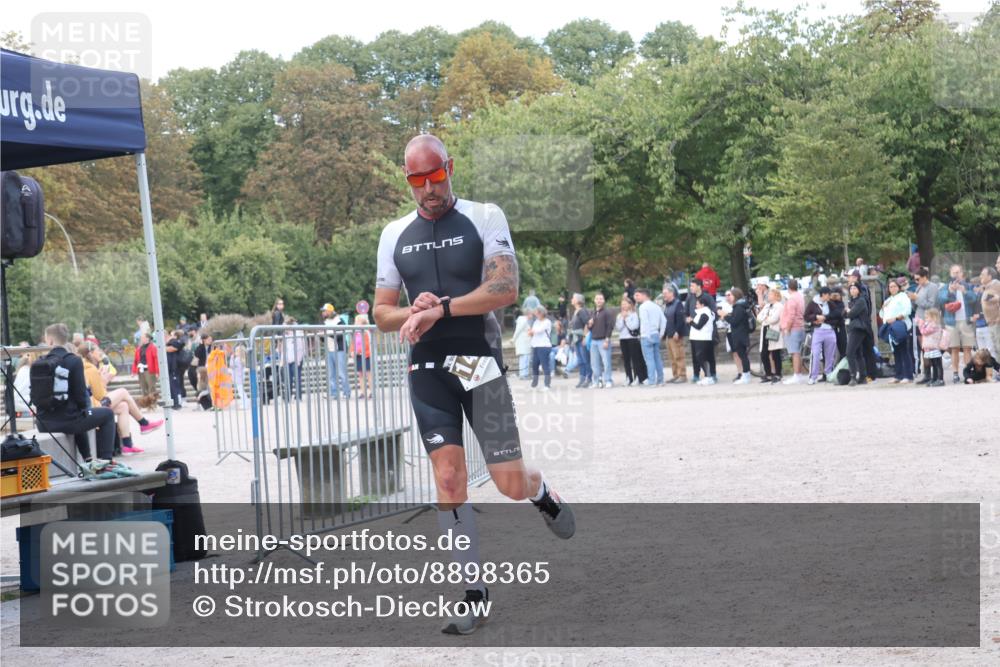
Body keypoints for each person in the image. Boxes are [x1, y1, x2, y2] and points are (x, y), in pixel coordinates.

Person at [372, 133, 574, 635]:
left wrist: (442, 307)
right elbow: (381, 313)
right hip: (428, 369)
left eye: (435, 175)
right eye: (417, 180)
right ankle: (471, 592)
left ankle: (540, 490)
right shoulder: (394, 233)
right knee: (448, 479)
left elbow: (504, 288)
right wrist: (410, 312)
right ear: (407, 181)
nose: (427, 188)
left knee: (507, 484)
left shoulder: (485, 216)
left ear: (450, 167)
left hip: (476, 363)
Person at [33, 324, 125, 475]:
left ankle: (88, 460)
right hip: (68, 421)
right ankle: (105, 463)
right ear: (65, 339)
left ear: (49, 341)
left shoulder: (39, 363)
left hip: (44, 423)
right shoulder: (74, 361)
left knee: (77, 414)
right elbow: (82, 398)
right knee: (105, 414)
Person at [79, 342, 162, 454]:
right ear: (91, 353)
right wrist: (103, 379)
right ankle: (143, 423)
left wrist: (100, 377)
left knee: (123, 406)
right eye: (98, 350)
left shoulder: (88, 367)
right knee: (123, 391)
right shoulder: (90, 369)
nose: (101, 353)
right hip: (95, 406)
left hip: (94, 405)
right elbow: (100, 395)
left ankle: (127, 444)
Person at [939, 264, 977, 383]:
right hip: (951, 322)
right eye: (954, 272)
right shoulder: (945, 287)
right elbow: (940, 299)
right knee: (954, 348)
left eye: (958, 272)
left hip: (966, 320)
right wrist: (951, 290)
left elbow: (974, 299)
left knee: (967, 348)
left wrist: (964, 291)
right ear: (950, 273)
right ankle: (955, 373)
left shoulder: (968, 286)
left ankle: (967, 372)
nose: (956, 275)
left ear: (962, 274)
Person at [879, 278, 914, 383]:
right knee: (896, 351)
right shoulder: (888, 300)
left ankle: (908, 375)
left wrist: (896, 318)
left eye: (894, 286)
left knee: (904, 350)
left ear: (898, 287)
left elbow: (907, 310)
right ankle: (898, 375)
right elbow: (882, 315)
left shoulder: (903, 297)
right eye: (890, 287)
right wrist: (883, 308)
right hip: (890, 326)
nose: (892, 288)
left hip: (900, 325)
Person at [909, 267, 939, 383]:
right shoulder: (919, 287)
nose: (916, 281)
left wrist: (916, 298)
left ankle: (935, 374)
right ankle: (927, 374)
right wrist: (912, 300)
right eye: (915, 279)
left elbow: (930, 305)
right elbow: (917, 306)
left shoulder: (932, 287)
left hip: (929, 321)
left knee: (931, 347)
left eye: (918, 279)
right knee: (923, 349)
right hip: (919, 320)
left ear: (925, 277)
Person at [685, 278, 717, 383]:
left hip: (705, 332)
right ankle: (696, 374)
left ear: (699, 286)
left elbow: (713, 312)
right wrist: (688, 320)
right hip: (694, 332)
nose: (691, 288)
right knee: (695, 355)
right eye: (690, 286)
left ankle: (712, 374)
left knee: (709, 354)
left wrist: (705, 325)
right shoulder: (690, 298)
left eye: (692, 286)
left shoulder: (707, 297)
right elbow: (686, 312)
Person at [804, 287, 837, 385]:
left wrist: (825, 319)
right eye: (828, 295)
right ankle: (813, 376)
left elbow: (836, 316)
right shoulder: (813, 303)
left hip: (830, 330)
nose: (829, 297)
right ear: (823, 294)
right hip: (818, 331)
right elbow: (806, 316)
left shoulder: (831, 304)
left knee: (830, 354)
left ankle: (828, 374)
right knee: (816, 353)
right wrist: (815, 317)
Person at [635, 288, 667, 385]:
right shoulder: (656, 306)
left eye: (638, 295)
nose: (636, 297)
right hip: (656, 334)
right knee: (657, 358)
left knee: (649, 359)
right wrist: (661, 334)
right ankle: (660, 380)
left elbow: (645, 322)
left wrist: (646, 335)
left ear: (644, 295)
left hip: (646, 335)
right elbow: (664, 321)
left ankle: (652, 380)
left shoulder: (643, 307)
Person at [721, 288, 752, 384]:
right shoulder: (739, 306)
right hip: (739, 333)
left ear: (736, 296)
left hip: (740, 334)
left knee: (743, 355)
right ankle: (745, 374)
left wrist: (725, 316)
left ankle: (746, 375)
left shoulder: (739, 307)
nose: (730, 297)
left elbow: (734, 321)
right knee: (741, 354)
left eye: (731, 295)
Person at [615, 298, 647, 386]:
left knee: (635, 359)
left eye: (625, 304)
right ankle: (628, 377)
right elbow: (618, 328)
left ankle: (638, 377)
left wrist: (627, 319)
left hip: (632, 339)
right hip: (623, 339)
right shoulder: (619, 315)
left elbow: (634, 326)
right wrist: (622, 319)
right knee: (626, 360)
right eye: (622, 304)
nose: (624, 306)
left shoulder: (634, 314)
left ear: (630, 304)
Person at [780, 279, 807, 384]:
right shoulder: (800, 297)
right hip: (800, 326)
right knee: (797, 352)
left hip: (793, 328)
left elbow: (791, 316)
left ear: (788, 287)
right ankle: (798, 374)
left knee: (794, 352)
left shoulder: (791, 299)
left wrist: (787, 328)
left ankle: (797, 375)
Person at [322, 303, 350, 399]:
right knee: (331, 374)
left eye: (324, 311)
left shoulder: (339, 320)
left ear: (329, 311)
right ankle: (334, 393)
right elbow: (323, 337)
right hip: (329, 349)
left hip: (339, 349)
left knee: (342, 373)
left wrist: (327, 334)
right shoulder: (325, 322)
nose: (323, 313)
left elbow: (340, 334)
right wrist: (322, 335)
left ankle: (346, 392)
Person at [845, 282, 871, 386]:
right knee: (858, 353)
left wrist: (848, 310)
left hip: (859, 328)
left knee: (849, 352)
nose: (852, 290)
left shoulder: (861, 300)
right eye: (851, 289)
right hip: (854, 328)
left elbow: (851, 313)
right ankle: (863, 377)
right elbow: (844, 313)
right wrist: (848, 311)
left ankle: (853, 377)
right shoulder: (852, 300)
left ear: (859, 290)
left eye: (855, 288)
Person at [756, 288, 784, 384]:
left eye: (770, 294)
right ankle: (768, 373)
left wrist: (766, 318)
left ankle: (778, 373)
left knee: (775, 353)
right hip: (765, 329)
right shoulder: (767, 306)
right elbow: (759, 317)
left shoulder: (779, 306)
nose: (768, 296)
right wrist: (766, 318)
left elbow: (774, 319)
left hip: (773, 330)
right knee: (764, 353)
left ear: (776, 295)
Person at [587, 292, 615, 388]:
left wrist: (607, 339)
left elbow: (610, 326)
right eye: (597, 299)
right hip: (594, 340)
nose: (599, 300)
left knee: (606, 362)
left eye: (601, 299)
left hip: (603, 339)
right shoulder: (593, 312)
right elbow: (590, 328)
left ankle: (608, 380)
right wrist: (589, 325)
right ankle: (596, 381)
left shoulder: (607, 312)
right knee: (594, 363)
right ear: (594, 300)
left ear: (603, 300)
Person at [661, 285, 687, 383]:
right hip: (669, 334)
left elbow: (680, 320)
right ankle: (675, 375)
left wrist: (678, 332)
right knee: (672, 357)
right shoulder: (667, 305)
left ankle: (682, 375)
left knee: (678, 355)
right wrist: (664, 334)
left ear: (671, 293)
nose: (664, 295)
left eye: (665, 293)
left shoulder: (678, 304)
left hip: (675, 335)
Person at [690, 296, 717, 385]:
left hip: (702, 339)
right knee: (703, 358)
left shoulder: (705, 313)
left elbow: (699, 326)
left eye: (697, 304)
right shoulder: (702, 313)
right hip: (699, 338)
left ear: (702, 304)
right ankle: (708, 376)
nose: (696, 306)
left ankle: (708, 376)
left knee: (701, 358)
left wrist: (691, 322)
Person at [916, 308, 946, 387]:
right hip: (929, 347)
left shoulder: (934, 325)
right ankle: (934, 378)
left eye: (927, 317)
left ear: (933, 317)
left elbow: (924, 332)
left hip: (934, 347)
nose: (926, 319)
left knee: (937, 364)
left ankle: (940, 379)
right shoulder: (929, 324)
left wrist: (920, 324)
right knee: (933, 363)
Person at [568, 293, 592, 388]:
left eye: (573, 298)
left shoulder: (582, 311)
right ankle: (582, 379)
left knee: (586, 359)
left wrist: (585, 337)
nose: (571, 299)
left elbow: (587, 323)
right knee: (580, 360)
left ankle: (589, 378)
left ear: (578, 301)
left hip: (581, 338)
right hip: (576, 339)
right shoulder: (575, 311)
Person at [527, 306, 553, 389]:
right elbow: (532, 331)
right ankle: (534, 383)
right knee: (534, 365)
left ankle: (547, 384)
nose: (536, 314)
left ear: (541, 313)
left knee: (545, 365)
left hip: (544, 346)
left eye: (537, 313)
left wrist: (532, 331)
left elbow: (539, 330)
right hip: (536, 345)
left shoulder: (547, 322)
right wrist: (531, 332)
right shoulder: (536, 322)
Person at [281, 319, 305, 400]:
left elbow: (300, 348)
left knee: (297, 378)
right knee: (288, 378)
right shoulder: (285, 335)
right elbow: (283, 348)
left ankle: (298, 396)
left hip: (296, 360)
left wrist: (298, 360)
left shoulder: (298, 334)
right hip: (287, 359)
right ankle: (288, 396)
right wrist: (282, 360)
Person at [981, 262, 1000, 361]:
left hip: (997, 322)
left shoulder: (996, 284)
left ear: (990, 276)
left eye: (983, 274)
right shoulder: (987, 287)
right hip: (991, 322)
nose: (981, 276)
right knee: (996, 348)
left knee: (998, 347)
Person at [131, 332, 159, 400]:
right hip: (141, 370)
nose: (141, 339)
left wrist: (157, 372)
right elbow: (136, 360)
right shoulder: (139, 348)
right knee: (143, 388)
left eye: (142, 337)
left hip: (150, 370)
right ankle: (146, 404)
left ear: (147, 339)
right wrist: (133, 371)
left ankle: (153, 403)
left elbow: (156, 359)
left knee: (151, 387)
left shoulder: (152, 347)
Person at [351, 313, 373, 398]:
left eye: (357, 321)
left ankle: (371, 391)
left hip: (366, 355)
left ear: (361, 323)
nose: (355, 323)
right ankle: (363, 392)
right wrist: (353, 351)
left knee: (368, 373)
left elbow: (367, 344)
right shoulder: (356, 333)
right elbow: (353, 343)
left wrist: (358, 351)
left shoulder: (366, 332)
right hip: (358, 356)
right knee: (360, 374)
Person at [512, 307, 533, 380]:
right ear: (528, 314)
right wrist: (513, 339)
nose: (532, 316)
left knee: (525, 358)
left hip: (525, 343)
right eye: (531, 314)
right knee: (524, 359)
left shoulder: (525, 321)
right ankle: (523, 374)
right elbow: (518, 331)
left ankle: (525, 374)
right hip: (523, 343)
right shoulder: (523, 321)